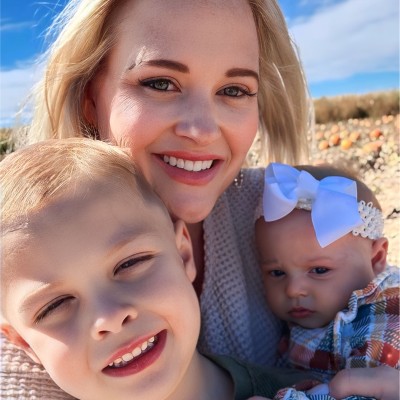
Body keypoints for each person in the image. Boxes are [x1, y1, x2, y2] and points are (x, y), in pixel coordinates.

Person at [2, 0, 397, 398]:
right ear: (90, 98)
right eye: (160, 83)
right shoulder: (20, 263)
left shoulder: (286, 208)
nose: (203, 129)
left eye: (234, 90)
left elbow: (378, 297)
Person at [0, 138, 314, 400]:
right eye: (55, 305)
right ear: (24, 344)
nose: (109, 317)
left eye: (130, 263)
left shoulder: (311, 392)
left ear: (183, 255)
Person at [254, 163, 400, 400]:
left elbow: (364, 394)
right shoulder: (303, 319)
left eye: (319, 270)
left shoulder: (384, 315)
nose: (293, 290)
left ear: (376, 258)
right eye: (277, 273)